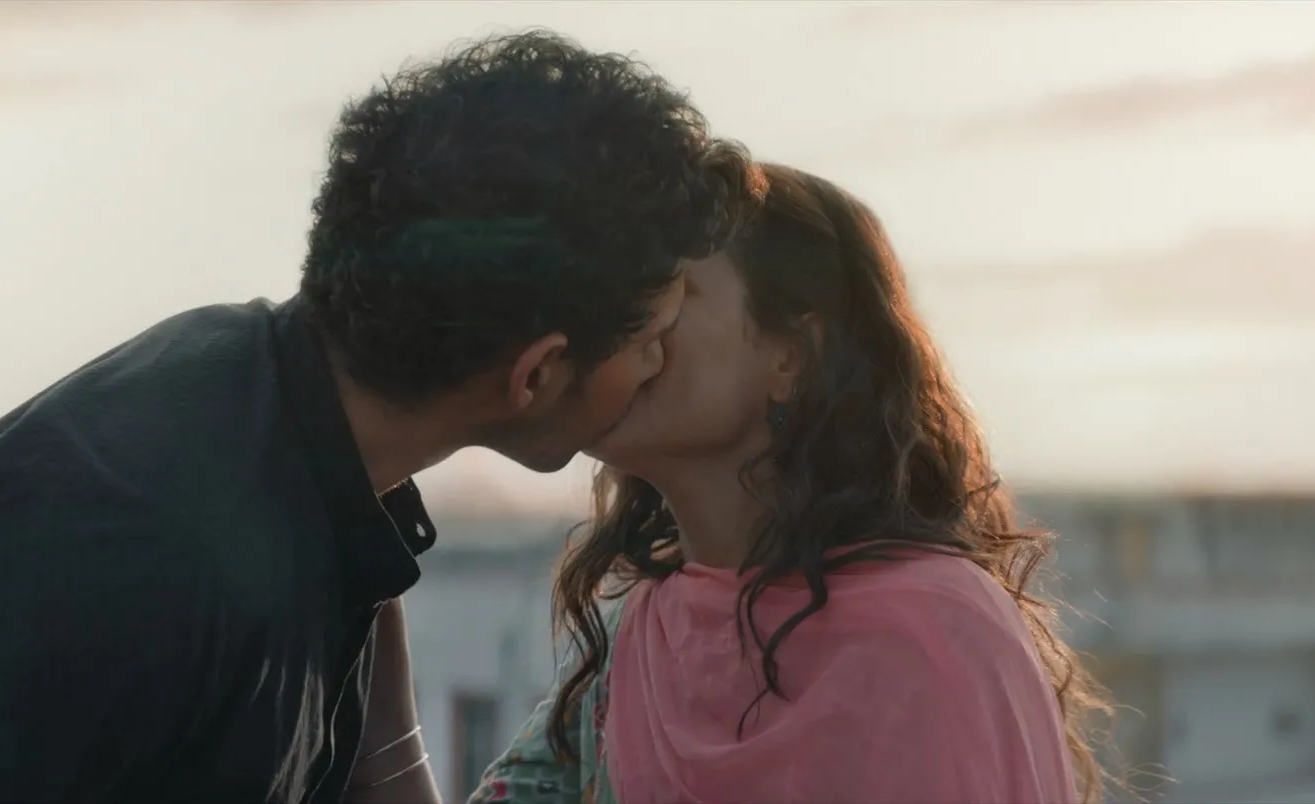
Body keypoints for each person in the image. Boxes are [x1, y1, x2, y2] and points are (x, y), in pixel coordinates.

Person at [0, 30, 755, 804]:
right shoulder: (140, 537)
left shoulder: (291, 433)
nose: (661, 363)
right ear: (538, 372)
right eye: (653, 332)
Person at [471, 164, 1119, 804]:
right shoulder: (635, 636)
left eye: (668, 296)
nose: (621, 331)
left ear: (792, 356)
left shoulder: (932, 631)